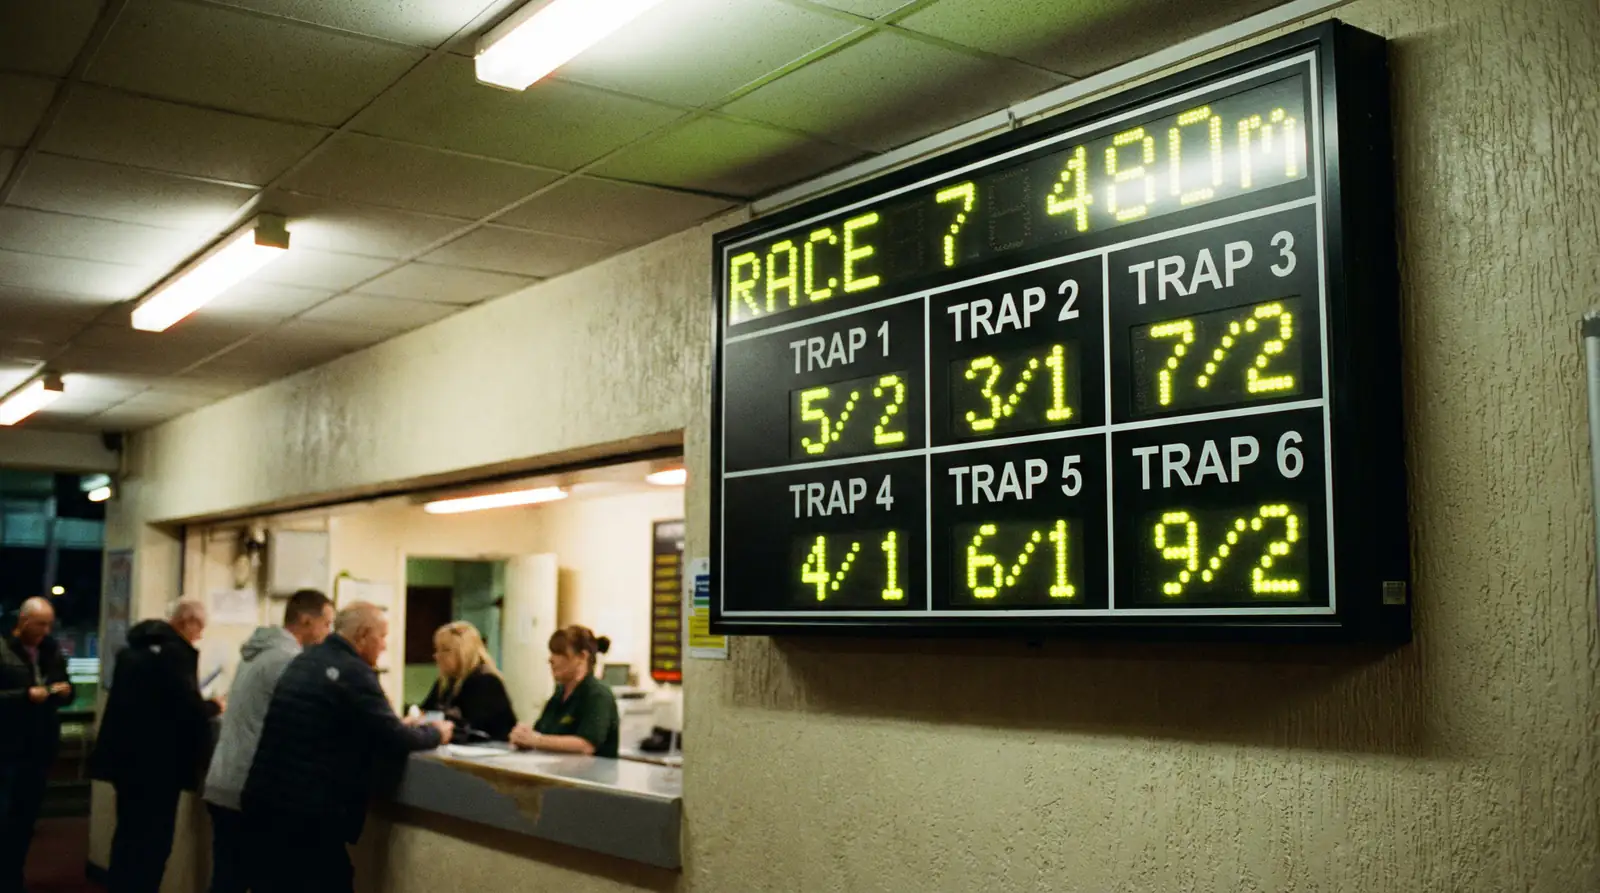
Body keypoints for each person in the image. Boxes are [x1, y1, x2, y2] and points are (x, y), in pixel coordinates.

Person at [242, 602, 452, 893]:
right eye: (382, 637)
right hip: (308, 813)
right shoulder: (353, 671)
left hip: (268, 800)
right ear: (364, 635)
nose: (383, 647)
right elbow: (395, 737)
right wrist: (435, 733)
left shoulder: (307, 659)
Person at [201, 589, 333, 893]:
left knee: (227, 879)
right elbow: (307, 721)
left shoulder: (257, 653)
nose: (329, 633)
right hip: (249, 787)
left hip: (224, 780)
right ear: (305, 621)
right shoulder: (287, 661)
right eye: (326, 624)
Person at [0, 598, 73, 891]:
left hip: (39, 746)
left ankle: (13, 876)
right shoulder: (4, 650)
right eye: (40, 624)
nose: (45, 630)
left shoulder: (50, 650)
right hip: (6, 746)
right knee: (5, 817)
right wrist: (24, 696)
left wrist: (64, 692)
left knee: (25, 818)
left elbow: (65, 685)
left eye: (49, 624)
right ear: (23, 621)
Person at [509, 625, 619, 758]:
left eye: (559, 653)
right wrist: (524, 736)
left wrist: (536, 740)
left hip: (589, 776)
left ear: (582, 657)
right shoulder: (559, 694)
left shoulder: (598, 695)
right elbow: (541, 732)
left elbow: (585, 745)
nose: (551, 659)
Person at [420, 621, 516, 742]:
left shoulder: (486, 682)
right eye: (437, 649)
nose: (437, 656)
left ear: (463, 652)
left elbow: (473, 728)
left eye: (445, 650)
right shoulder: (445, 682)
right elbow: (426, 711)